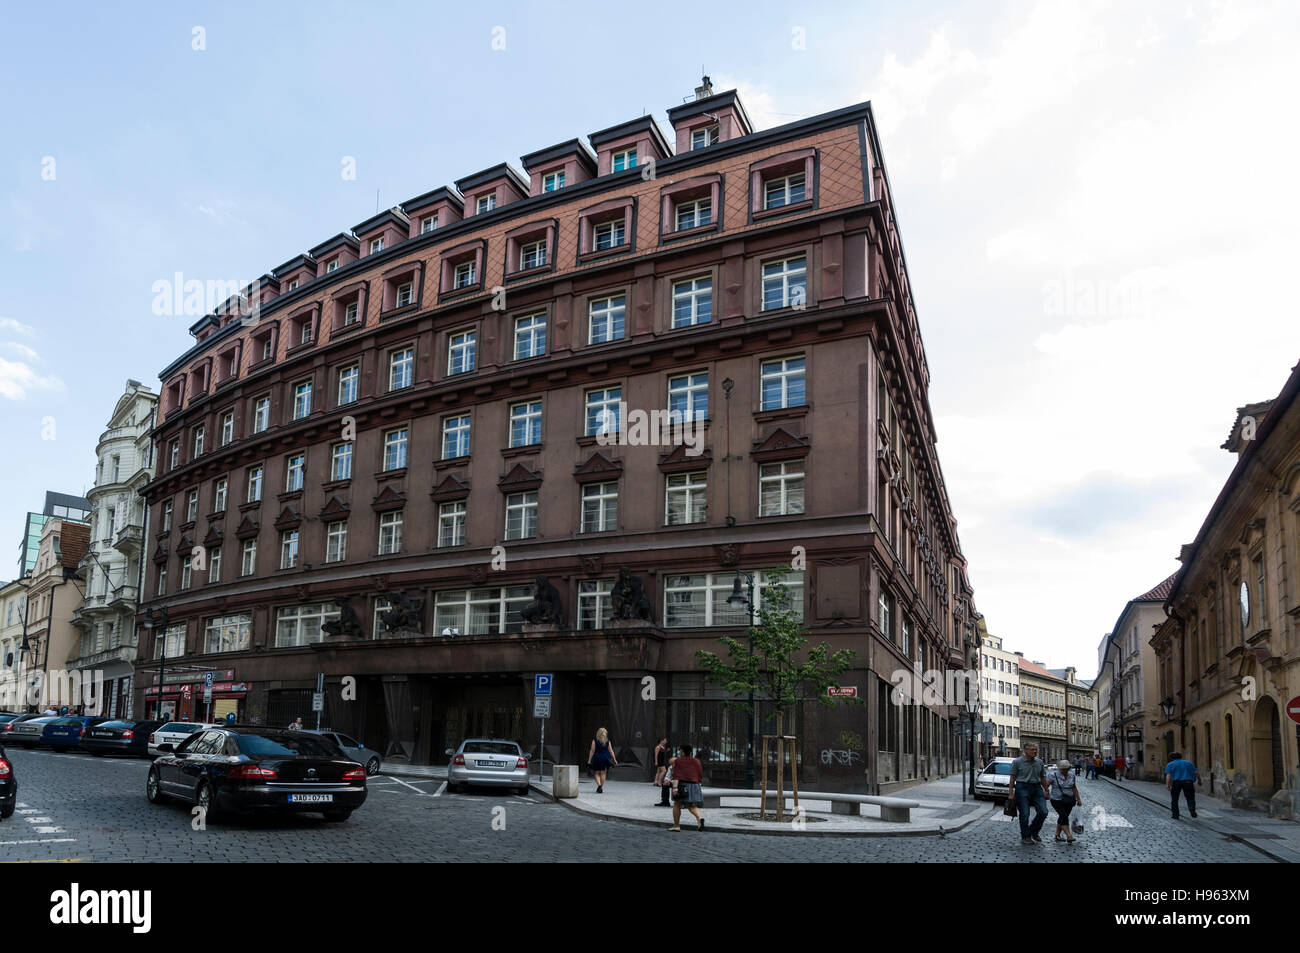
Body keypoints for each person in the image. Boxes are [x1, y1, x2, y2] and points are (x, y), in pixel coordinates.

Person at [1006, 742, 1050, 846]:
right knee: (1025, 814)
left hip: (1037, 788)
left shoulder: (1039, 762)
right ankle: (1026, 836)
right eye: (1032, 749)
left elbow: (1043, 777)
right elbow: (1012, 778)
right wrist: (1011, 793)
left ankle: (1033, 831)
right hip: (1022, 787)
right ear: (1025, 751)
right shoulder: (1017, 762)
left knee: (1043, 812)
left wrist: (1046, 790)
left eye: (1035, 749)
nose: (1035, 751)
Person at [668, 743, 705, 831]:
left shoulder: (678, 761)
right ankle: (699, 819)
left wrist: (675, 788)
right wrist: (698, 783)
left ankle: (676, 826)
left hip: (682, 785)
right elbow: (700, 774)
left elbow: (677, 775)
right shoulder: (697, 761)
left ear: (682, 751)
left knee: (677, 804)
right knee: (691, 805)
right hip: (694, 785)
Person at [1046, 759, 1082, 844]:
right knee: (1064, 816)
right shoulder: (1053, 775)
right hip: (1056, 799)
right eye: (1063, 769)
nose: (1065, 771)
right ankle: (1069, 836)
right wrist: (1046, 792)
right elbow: (1046, 785)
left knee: (1063, 817)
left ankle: (1057, 835)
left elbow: (1074, 787)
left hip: (1069, 799)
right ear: (1059, 768)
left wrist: (1078, 799)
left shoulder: (1071, 775)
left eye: (1067, 769)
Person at [1164, 752, 1201, 819]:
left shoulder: (1170, 764)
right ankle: (1191, 807)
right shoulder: (1189, 763)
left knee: (1174, 799)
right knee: (1190, 797)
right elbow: (1196, 773)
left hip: (1176, 783)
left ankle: (1175, 815)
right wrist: (1199, 781)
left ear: (1172, 758)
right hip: (1188, 782)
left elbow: (1168, 776)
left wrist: (1167, 784)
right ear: (1181, 756)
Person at [587, 727, 617, 793]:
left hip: (597, 758)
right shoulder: (608, 742)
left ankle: (599, 786)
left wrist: (589, 760)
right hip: (605, 758)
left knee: (596, 773)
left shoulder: (595, 741)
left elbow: (592, 751)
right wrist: (614, 759)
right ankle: (601, 787)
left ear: (598, 733)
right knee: (603, 773)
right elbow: (611, 751)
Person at [652, 737, 671, 806]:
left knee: (658, 771)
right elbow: (656, 755)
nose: (666, 741)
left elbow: (663, 753)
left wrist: (667, 751)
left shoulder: (662, 747)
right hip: (659, 760)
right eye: (665, 740)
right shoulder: (658, 747)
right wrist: (656, 761)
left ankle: (655, 781)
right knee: (664, 770)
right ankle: (659, 782)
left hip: (662, 760)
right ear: (661, 740)